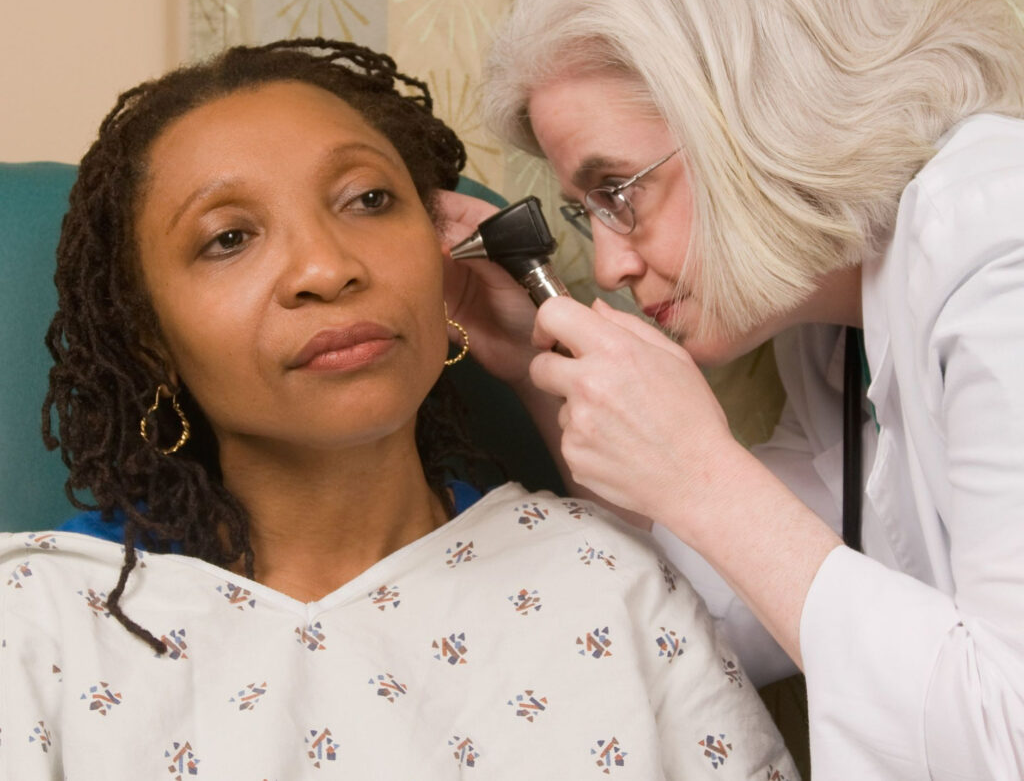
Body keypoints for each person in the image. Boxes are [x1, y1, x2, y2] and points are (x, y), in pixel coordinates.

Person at [0, 39, 797, 780]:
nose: (325, 267)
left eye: (369, 199)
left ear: (440, 259)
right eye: (229, 238)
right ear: (149, 338)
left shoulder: (608, 582)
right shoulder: (35, 625)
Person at [438, 0, 1024, 778]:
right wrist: (537, 356)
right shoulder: (831, 325)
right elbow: (719, 607)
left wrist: (703, 473)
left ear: (761, 108)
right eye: (583, 210)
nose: (608, 265)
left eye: (619, 191)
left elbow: (1006, 734)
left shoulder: (997, 245)